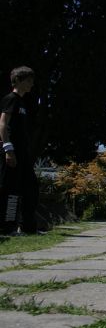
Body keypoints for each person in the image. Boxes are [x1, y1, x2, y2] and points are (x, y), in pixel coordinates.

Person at [0, 66, 39, 235]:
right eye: (29, 81)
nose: (31, 84)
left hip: (23, 153)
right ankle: (7, 227)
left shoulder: (23, 102)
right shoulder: (11, 99)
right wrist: (8, 149)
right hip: (12, 152)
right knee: (12, 191)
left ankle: (28, 227)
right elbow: (3, 124)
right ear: (18, 81)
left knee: (31, 187)